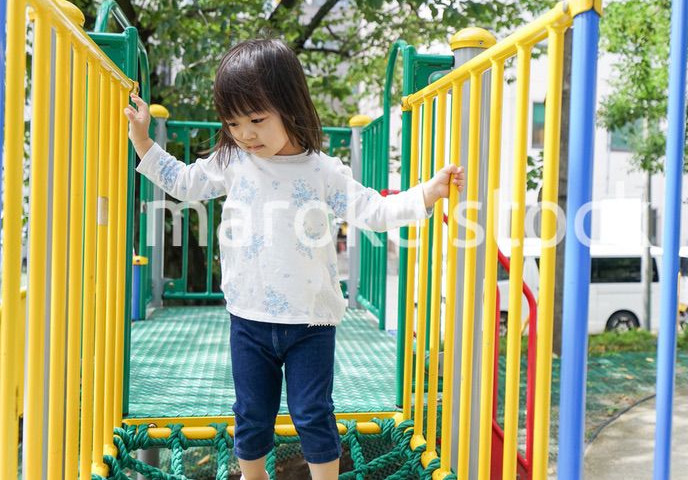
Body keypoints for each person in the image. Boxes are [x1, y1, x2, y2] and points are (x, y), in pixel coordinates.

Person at [124, 38, 464, 480]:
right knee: (250, 412)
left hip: (311, 321)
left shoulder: (323, 171)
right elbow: (185, 183)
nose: (245, 133)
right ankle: (253, 475)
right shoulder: (232, 160)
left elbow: (373, 212)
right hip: (249, 316)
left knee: (313, 413)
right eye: (233, 122)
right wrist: (143, 140)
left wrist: (426, 193)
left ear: (290, 107)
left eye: (257, 119)